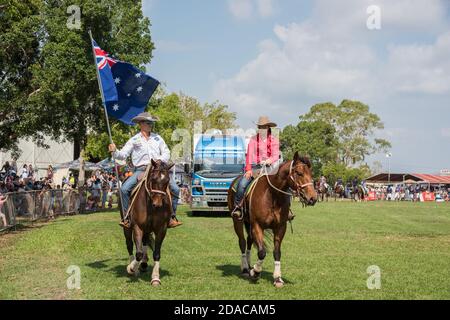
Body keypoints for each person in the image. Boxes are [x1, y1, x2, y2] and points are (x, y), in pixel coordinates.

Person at [108, 112, 182, 229]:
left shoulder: (158, 138)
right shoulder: (134, 139)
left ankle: (171, 217)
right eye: (148, 123)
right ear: (141, 124)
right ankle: (127, 218)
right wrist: (115, 150)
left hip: (157, 169)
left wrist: (159, 160)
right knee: (124, 189)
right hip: (140, 170)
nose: (150, 125)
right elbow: (122, 155)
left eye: (151, 123)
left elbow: (166, 152)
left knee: (176, 189)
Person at [231, 116, 292, 220]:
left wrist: (270, 160)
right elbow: (249, 155)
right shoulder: (253, 140)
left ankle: (287, 210)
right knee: (241, 185)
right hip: (255, 168)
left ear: (268, 127)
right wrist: (249, 170)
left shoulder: (274, 140)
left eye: (264, 127)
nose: (262, 129)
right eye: (260, 127)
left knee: (287, 187)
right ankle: (238, 208)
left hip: (271, 168)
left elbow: (275, 154)